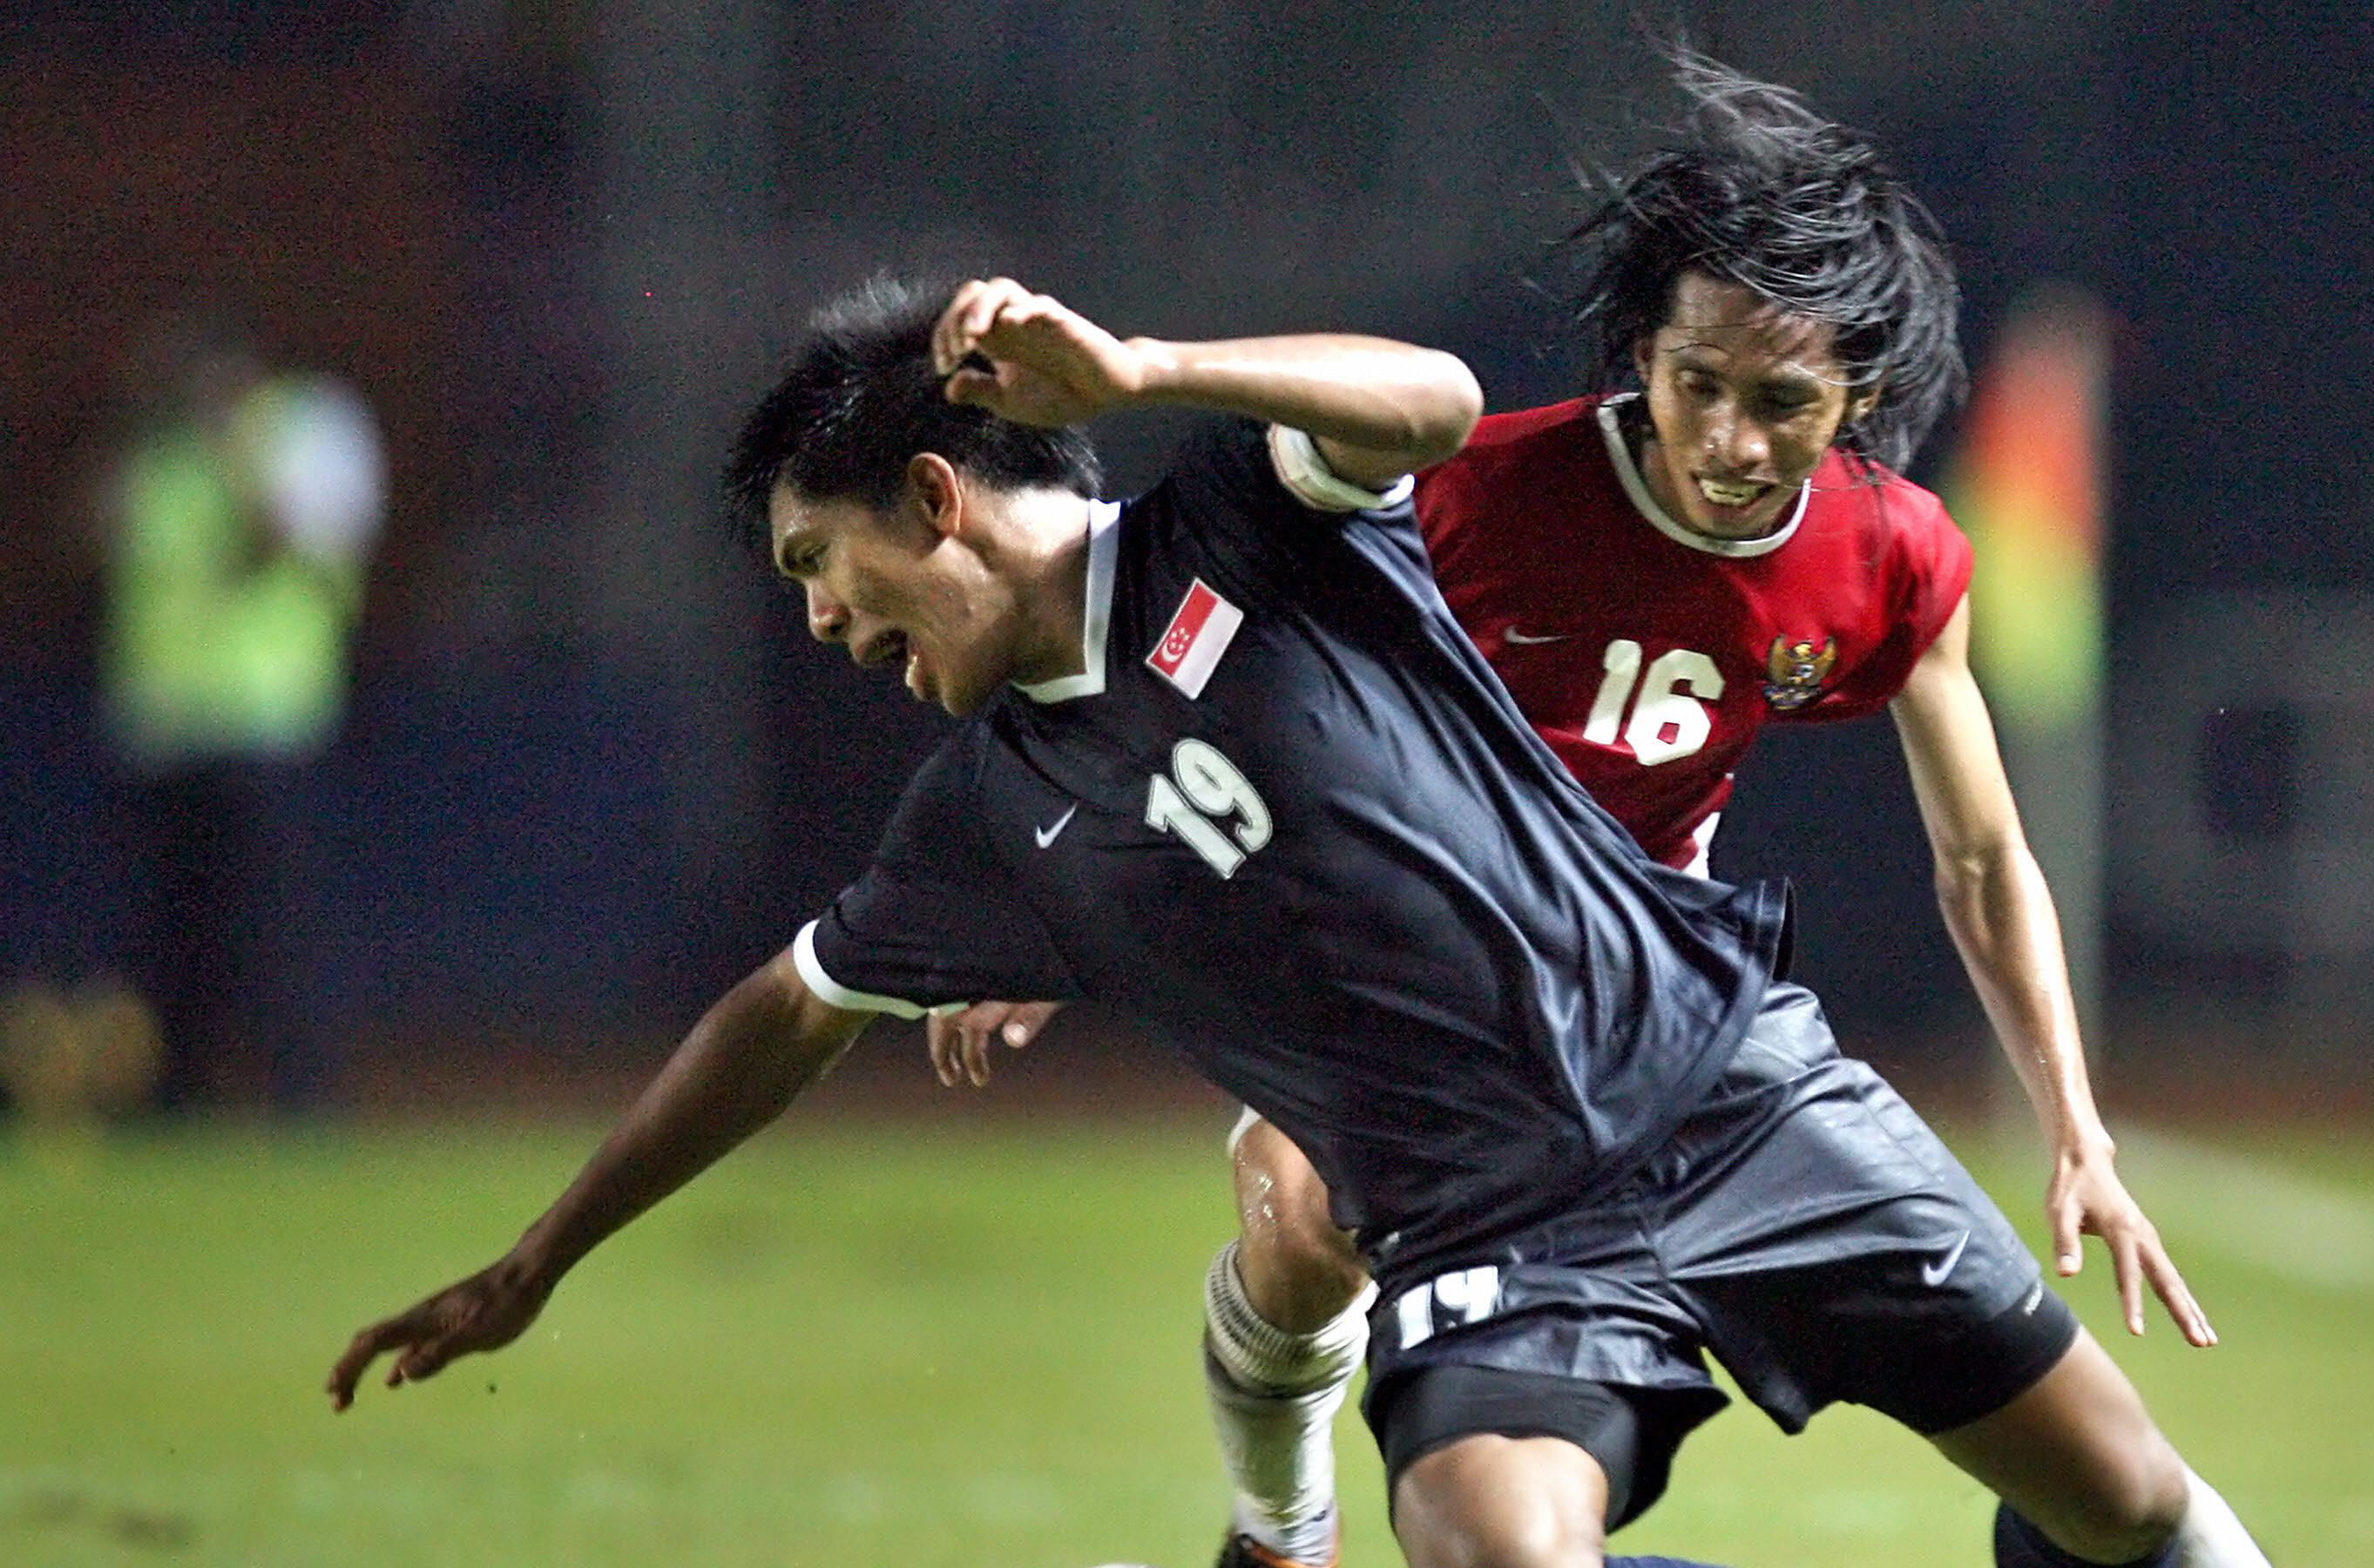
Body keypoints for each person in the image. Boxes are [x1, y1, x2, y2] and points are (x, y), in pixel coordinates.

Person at [328, 272, 2260, 1567]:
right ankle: (1284, 1534)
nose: (824, 622)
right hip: (1492, 1227)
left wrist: (1146, 373)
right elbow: (782, 1016)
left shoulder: (1238, 522)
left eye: (820, 565)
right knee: (1489, 1544)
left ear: (936, 496)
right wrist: (539, 1259)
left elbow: (1434, 402)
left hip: (1731, 1085)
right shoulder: (986, 818)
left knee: (2133, 1509)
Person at [925, 59, 2250, 1568]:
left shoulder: (1889, 558)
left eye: (1782, 403)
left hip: (1678, 1009)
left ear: (1862, 399)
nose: (1730, 440)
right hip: (1407, 974)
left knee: (2125, 1494)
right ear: (1641, 356)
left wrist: (2078, 1128)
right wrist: (1064, 900)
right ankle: (1277, 1535)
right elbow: (1203, 652)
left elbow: (1982, 855)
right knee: (1295, 1219)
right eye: (1698, 384)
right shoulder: (1479, 497)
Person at [101, 316, 386, 1110]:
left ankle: (302, 1100)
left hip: (270, 722)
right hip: (164, 728)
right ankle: (174, 1102)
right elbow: (99, 548)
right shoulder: (160, 449)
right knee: (170, 939)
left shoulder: (308, 426)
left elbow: (284, 541)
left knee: (280, 932)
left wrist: (234, 447)